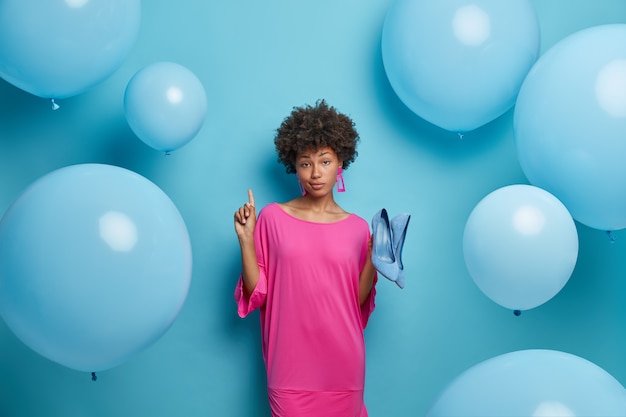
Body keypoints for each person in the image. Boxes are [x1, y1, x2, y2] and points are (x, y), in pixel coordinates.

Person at [233, 100, 377, 417]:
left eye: (325, 161)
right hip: (290, 367)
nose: (315, 173)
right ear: (293, 165)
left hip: (343, 367)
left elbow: (356, 304)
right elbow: (257, 294)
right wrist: (246, 240)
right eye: (305, 163)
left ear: (340, 162)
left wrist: (372, 259)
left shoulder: (358, 228)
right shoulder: (272, 218)